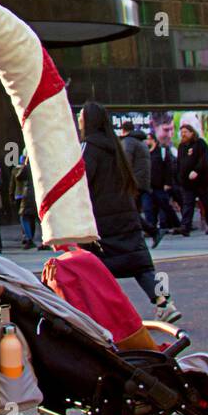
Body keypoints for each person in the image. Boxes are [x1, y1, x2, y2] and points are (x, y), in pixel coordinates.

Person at [78, 102, 180, 322]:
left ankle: (105, 311)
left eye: (81, 116)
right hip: (125, 211)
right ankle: (165, 302)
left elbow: (81, 179)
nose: (78, 120)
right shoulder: (115, 145)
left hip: (101, 216)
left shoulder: (89, 146)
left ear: (89, 120)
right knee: (140, 264)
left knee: (92, 266)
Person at [176, 114, 208, 235]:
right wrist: (180, 177)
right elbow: (179, 162)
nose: (183, 134)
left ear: (192, 132)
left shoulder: (200, 143)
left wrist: (196, 171)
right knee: (187, 205)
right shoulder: (181, 146)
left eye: (186, 132)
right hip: (187, 183)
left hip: (201, 181)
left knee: (206, 204)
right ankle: (185, 227)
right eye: (182, 132)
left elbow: (203, 160)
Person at [144, 131, 181, 236]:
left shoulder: (162, 152)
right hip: (148, 186)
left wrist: (167, 182)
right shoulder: (145, 153)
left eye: (148, 139)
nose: (146, 141)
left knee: (165, 206)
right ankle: (151, 228)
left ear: (153, 140)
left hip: (160, 185)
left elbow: (168, 168)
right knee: (148, 208)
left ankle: (176, 224)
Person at [119, 121, 152, 234]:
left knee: (129, 210)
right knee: (134, 210)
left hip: (134, 182)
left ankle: (151, 230)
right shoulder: (141, 142)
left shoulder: (129, 142)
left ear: (123, 130)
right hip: (142, 181)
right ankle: (143, 232)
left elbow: (125, 162)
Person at [10, 150, 44, 249]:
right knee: (41, 218)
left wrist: (24, 165)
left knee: (24, 217)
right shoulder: (41, 167)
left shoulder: (27, 167)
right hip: (40, 194)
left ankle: (29, 238)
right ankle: (44, 240)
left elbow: (19, 176)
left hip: (28, 195)